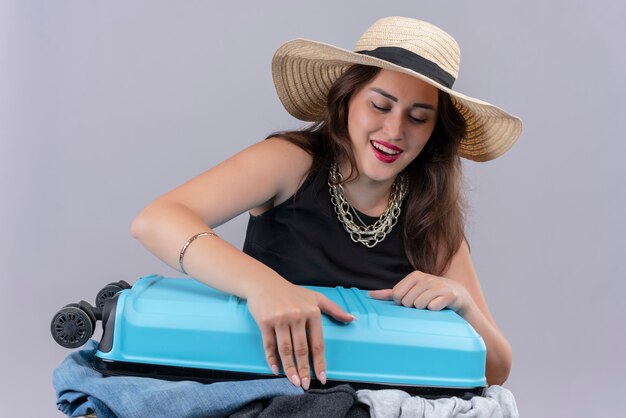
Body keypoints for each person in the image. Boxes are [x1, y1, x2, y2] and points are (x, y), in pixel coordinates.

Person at [130, 16, 522, 392]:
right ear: (347, 97)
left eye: (418, 118)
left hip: (371, 395)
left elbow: (497, 369)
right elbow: (156, 220)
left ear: (434, 132)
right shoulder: (291, 162)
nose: (394, 131)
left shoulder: (430, 215)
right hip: (262, 381)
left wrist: (465, 305)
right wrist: (263, 286)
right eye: (380, 106)